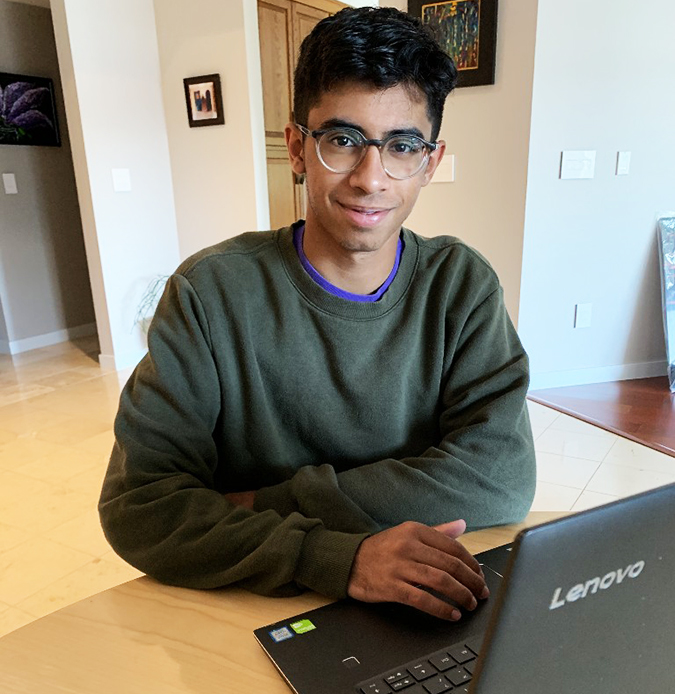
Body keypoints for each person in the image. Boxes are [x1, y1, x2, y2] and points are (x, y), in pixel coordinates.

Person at [99, 6, 536, 621]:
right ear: (298, 148)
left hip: (421, 596)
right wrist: (341, 557)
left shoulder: (461, 286)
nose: (370, 178)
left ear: (430, 163)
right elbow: (140, 508)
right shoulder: (211, 294)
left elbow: (502, 478)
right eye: (343, 140)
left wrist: (259, 504)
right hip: (255, 607)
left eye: (402, 146)